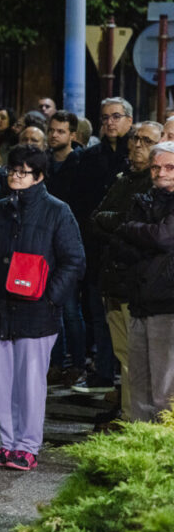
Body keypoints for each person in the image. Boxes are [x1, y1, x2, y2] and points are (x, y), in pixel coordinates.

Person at [0, 145, 85, 471]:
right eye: (12, 170)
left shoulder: (57, 211)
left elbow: (74, 261)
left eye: (23, 171)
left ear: (39, 176)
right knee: (1, 384)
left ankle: (28, 446)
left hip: (37, 313)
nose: (15, 176)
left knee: (31, 382)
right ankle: (8, 445)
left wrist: (50, 297)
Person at [89, 122, 163, 427]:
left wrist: (116, 225)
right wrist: (118, 225)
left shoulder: (155, 184)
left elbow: (135, 226)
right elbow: (96, 219)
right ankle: (127, 414)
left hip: (135, 282)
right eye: (135, 138)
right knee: (124, 356)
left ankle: (135, 421)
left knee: (136, 360)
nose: (137, 145)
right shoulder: (124, 179)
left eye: (146, 140)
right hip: (113, 279)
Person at [70, 97, 134, 394]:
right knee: (98, 312)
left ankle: (125, 380)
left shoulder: (135, 156)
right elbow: (80, 203)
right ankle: (103, 370)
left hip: (128, 248)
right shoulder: (89, 156)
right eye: (105, 117)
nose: (110, 122)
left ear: (129, 121)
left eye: (116, 116)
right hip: (95, 245)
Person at [111, 142, 174, 422]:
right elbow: (120, 245)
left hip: (168, 305)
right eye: (156, 167)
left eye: (170, 167)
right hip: (138, 301)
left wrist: (133, 232)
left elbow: (165, 237)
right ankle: (141, 452)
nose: (161, 173)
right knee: (139, 389)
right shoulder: (142, 199)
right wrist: (146, 237)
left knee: (165, 392)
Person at [46, 110, 87, 386]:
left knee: (71, 309)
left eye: (60, 131)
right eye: (51, 130)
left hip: (69, 241)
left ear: (72, 134)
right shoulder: (45, 163)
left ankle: (78, 363)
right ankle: (56, 362)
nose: (54, 135)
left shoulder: (81, 162)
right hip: (45, 243)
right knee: (51, 307)